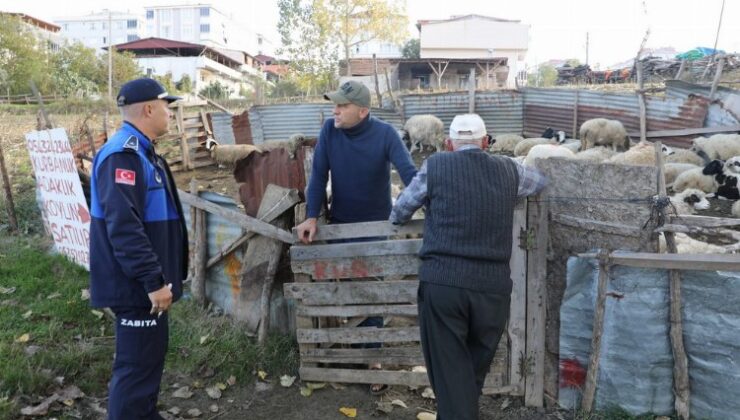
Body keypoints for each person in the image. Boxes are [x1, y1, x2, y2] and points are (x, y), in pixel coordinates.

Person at [389, 114, 547, 419]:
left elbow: (401, 211)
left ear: (448, 144)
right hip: (492, 289)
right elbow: (540, 181)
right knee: (470, 373)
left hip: (444, 285)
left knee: (451, 374)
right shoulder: (509, 169)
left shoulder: (436, 166)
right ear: (486, 143)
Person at [295, 80, 417, 393]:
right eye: (335, 104)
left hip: (376, 228)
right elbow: (319, 175)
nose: (335, 109)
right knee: (348, 289)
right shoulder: (329, 130)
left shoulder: (386, 134)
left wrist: (424, 203)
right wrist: (311, 216)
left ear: (362, 111)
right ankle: (344, 344)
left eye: (342, 105)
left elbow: (410, 175)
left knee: (371, 292)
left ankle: (372, 358)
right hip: (341, 224)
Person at [89, 78, 188, 420]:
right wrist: (153, 281)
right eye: (166, 106)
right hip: (136, 288)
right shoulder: (124, 155)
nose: (170, 113)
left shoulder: (141, 151)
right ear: (148, 108)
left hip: (143, 286)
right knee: (135, 371)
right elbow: (124, 227)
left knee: (147, 362)